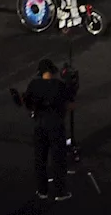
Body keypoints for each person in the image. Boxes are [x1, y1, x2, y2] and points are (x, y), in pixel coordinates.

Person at [20, 59, 73, 200]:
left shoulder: (34, 85)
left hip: (39, 125)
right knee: (58, 159)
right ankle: (60, 192)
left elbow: (28, 103)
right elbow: (69, 105)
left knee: (40, 159)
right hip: (56, 125)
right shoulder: (60, 86)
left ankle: (42, 190)